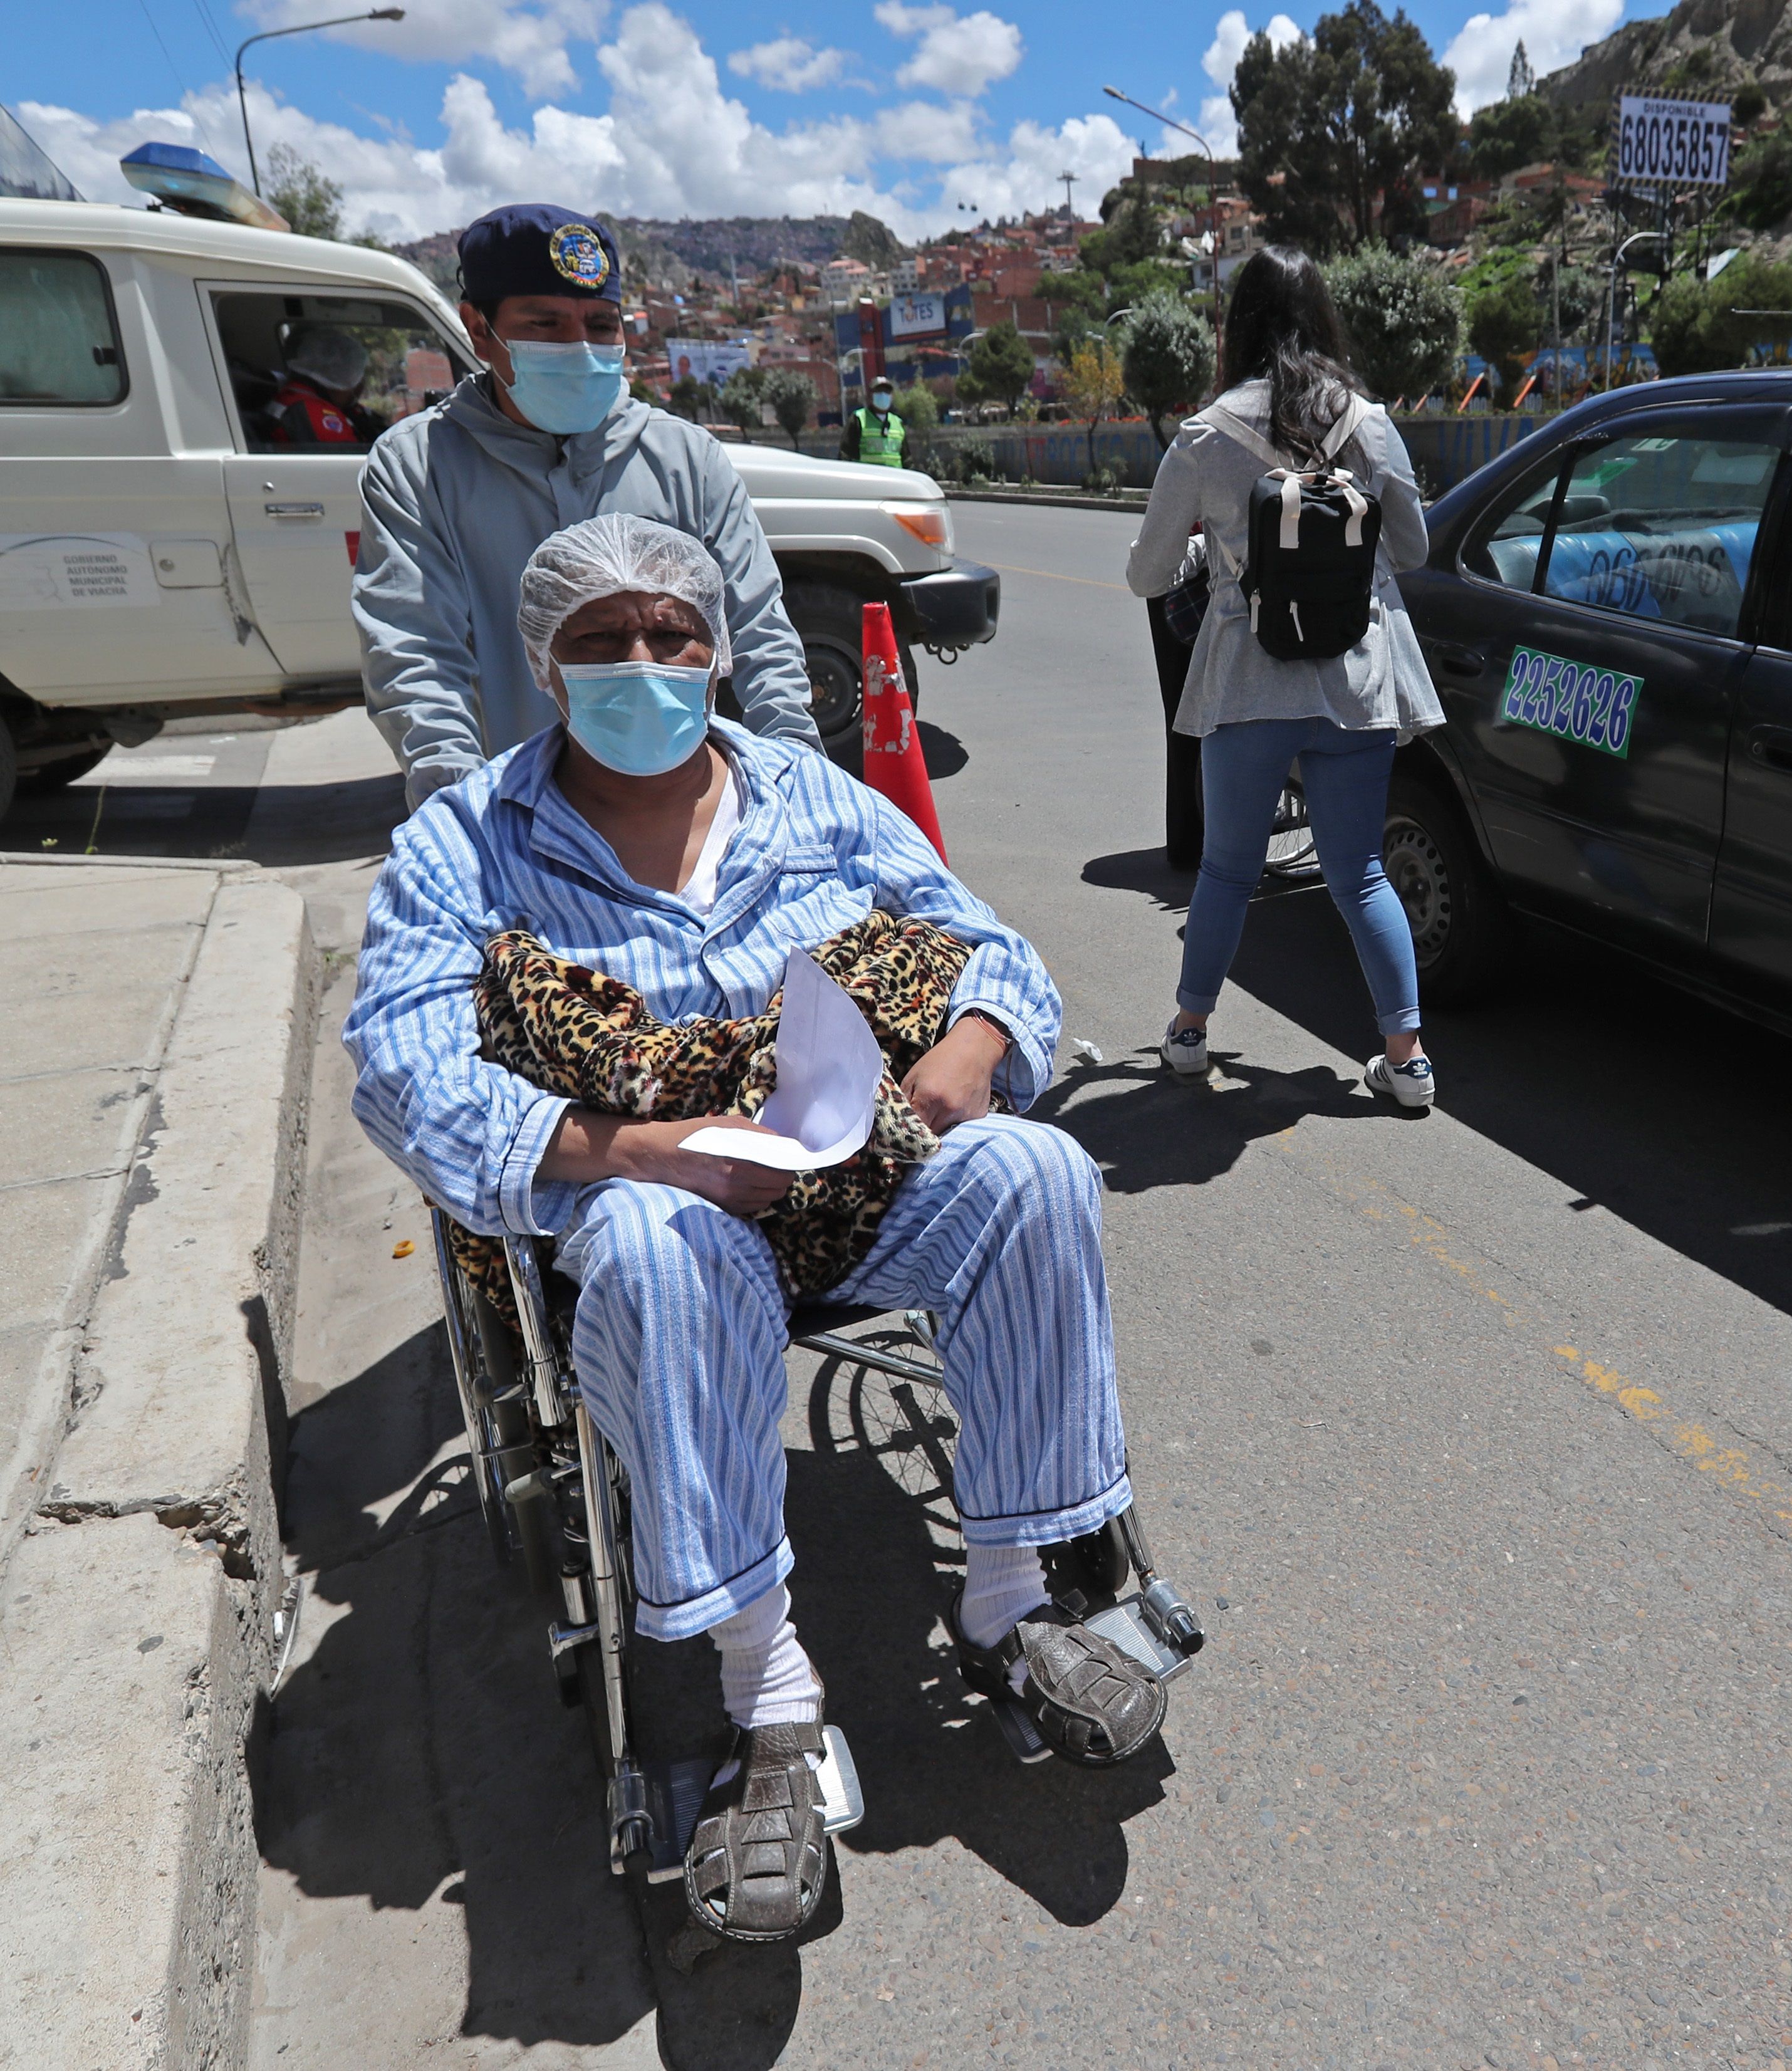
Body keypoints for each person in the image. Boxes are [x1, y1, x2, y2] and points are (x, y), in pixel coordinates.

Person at [345, 513, 1167, 1941]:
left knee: (1032, 1170)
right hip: (654, 1211)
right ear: (547, 663)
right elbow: (405, 1069)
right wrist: (651, 1152)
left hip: (848, 1184)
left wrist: (968, 1051)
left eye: (672, 636)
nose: (644, 666)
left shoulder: (807, 792)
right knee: (664, 1252)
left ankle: (1008, 1602)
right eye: (603, 642)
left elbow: (981, 938)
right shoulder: (462, 841)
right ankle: (766, 1707)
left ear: (718, 648)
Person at [353, 202, 820, 808]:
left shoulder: (687, 459)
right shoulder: (419, 467)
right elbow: (414, 658)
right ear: (477, 328)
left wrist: (801, 782)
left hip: (685, 814)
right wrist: (465, 819)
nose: (578, 347)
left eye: (600, 326)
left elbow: (759, 630)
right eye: (545, 324)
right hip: (518, 819)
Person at [1122, 247, 1442, 1111]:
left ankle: (1189, 1034)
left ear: (1240, 325)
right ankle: (1407, 1061)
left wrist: (1214, 554)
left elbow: (1147, 576)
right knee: (1360, 874)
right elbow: (1411, 549)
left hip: (1247, 687)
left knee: (1228, 871)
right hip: (1355, 685)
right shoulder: (1370, 424)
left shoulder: (1204, 434)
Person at [262, 324, 380, 446]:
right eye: (354, 383)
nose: (357, 391)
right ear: (334, 379)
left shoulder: (295, 398)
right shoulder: (313, 413)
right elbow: (344, 460)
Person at [842, 376, 907, 466]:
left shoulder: (898, 422)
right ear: (870, 395)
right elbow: (846, 454)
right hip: (869, 478)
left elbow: (907, 459)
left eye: (887, 392)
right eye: (879, 391)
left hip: (894, 478)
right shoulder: (858, 419)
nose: (883, 395)